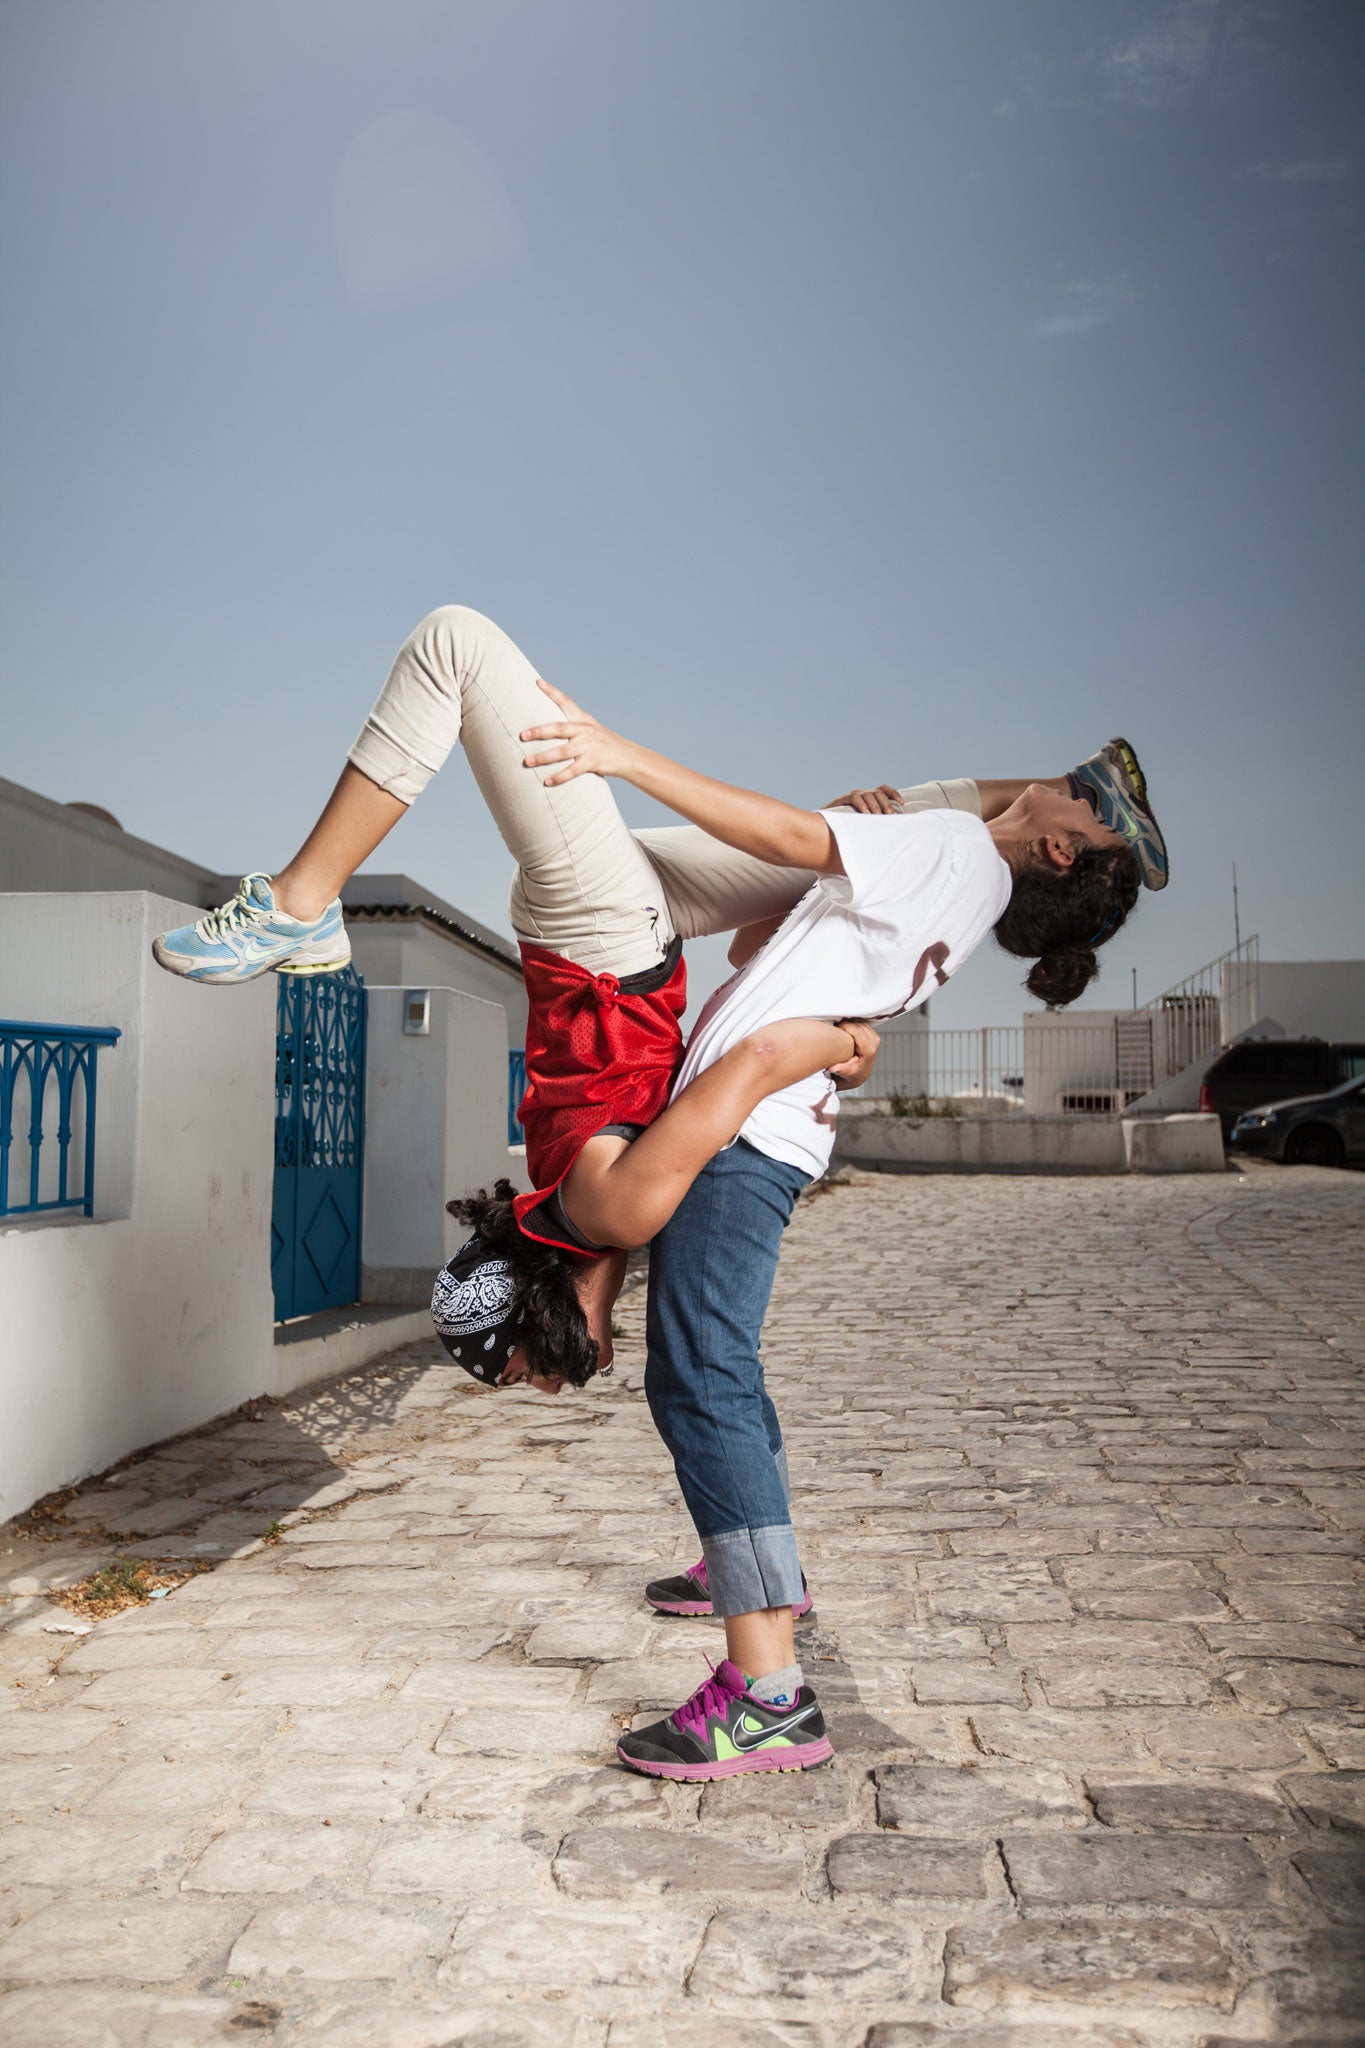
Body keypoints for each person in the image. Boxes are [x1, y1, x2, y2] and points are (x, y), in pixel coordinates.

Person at [152, 605, 1163, 1411]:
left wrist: (853, 1038)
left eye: (573, 1355)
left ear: (564, 1308)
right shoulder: (577, 1203)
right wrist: (849, 1018)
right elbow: (759, 1000)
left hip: (609, 936)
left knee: (466, 650)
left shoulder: (612, 1209)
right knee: (876, 842)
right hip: (628, 932)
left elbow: (755, 1058)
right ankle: (1080, 790)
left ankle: (300, 903)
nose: (591, 1358)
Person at [511, 683, 1150, 1779]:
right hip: (765, 1128)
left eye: (1084, 795)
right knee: (724, 1371)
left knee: (702, 1378)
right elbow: (766, 937)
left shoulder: (955, 845)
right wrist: (837, 857)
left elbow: (784, 831)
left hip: (749, 1133)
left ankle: (768, 1691)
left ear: (1053, 845)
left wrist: (625, 756)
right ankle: (750, 1568)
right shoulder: (947, 857)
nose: (1062, 778)